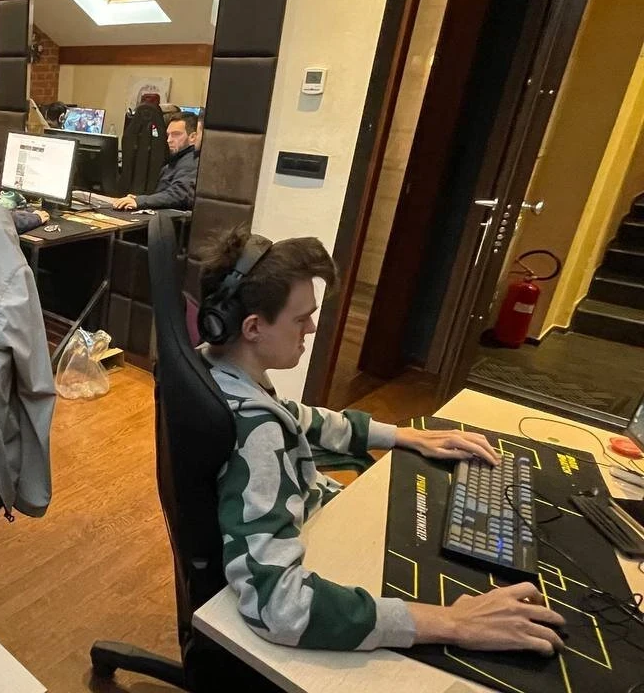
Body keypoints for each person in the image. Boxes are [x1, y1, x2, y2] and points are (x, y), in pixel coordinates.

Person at [198, 226, 567, 655]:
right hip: (311, 557)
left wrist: (400, 435)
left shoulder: (213, 365)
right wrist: (450, 622)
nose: (312, 327)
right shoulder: (257, 434)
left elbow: (295, 415)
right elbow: (280, 606)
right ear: (252, 327)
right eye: (301, 319)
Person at [112, 111, 200, 212]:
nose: (169, 140)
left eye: (176, 134)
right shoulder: (177, 160)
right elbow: (166, 194)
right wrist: (140, 199)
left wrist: (141, 201)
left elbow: (179, 195)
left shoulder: (192, 162)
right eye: (168, 135)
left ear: (193, 137)